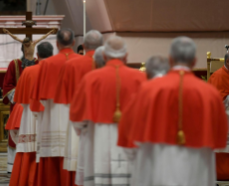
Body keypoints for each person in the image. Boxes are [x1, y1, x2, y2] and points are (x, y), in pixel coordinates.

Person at [118, 37, 229, 186]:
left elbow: (128, 128)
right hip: (197, 166)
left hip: (157, 164)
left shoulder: (148, 90)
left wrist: (136, 158)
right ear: (194, 61)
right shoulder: (210, 94)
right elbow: (220, 134)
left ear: (170, 60)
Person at [70, 36, 146, 185]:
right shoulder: (141, 78)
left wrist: (83, 131)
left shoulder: (90, 79)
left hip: (97, 139)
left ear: (104, 56)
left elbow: (77, 119)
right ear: (126, 56)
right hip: (132, 142)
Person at [32, 28, 81, 186]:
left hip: (53, 117)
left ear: (57, 44)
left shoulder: (46, 63)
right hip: (76, 118)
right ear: (74, 43)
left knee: (53, 156)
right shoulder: (83, 62)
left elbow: (38, 97)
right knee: (75, 151)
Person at [54, 30, 103, 185]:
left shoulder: (71, 65)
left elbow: (62, 97)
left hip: (79, 119)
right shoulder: (108, 66)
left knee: (80, 156)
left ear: (83, 45)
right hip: (107, 121)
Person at [2, 30, 55, 172]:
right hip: (20, 107)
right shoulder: (14, 64)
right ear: (23, 48)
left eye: (32, 47)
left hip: (40, 106)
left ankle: (36, 164)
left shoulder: (41, 64)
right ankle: (15, 165)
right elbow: (7, 85)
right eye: (27, 47)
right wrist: (19, 98)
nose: (29, 49)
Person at [208, 50, 229, 180]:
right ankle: (222, 173)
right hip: (225, 120)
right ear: (227, 61)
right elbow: (214, 101)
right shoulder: (217, 76)